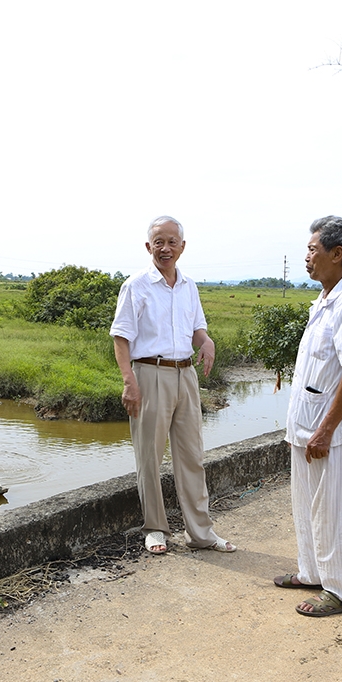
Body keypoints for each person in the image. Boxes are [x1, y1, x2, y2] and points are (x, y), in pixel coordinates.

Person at [110, 216, 237, 555]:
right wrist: (129, 382)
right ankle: (155, 528)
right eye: (159, 242)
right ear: (148, 246)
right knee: (149, 456)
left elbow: (196, 329)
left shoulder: (189, 286)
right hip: (149, 374)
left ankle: (201, 532)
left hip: (186, 374)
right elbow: (121, 338)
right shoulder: (136, 285)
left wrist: (206, 341)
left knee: (192, 455)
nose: (165, 248)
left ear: (182, 246)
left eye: (172, 242)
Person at [276, 216, 342, 617]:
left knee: (333, 510)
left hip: (329, 430)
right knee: (307, 505)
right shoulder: (325, 299)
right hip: (308, 425)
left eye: (313, 250)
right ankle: (313, 572)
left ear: (337, 254)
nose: (307, 257)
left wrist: (326, 430)